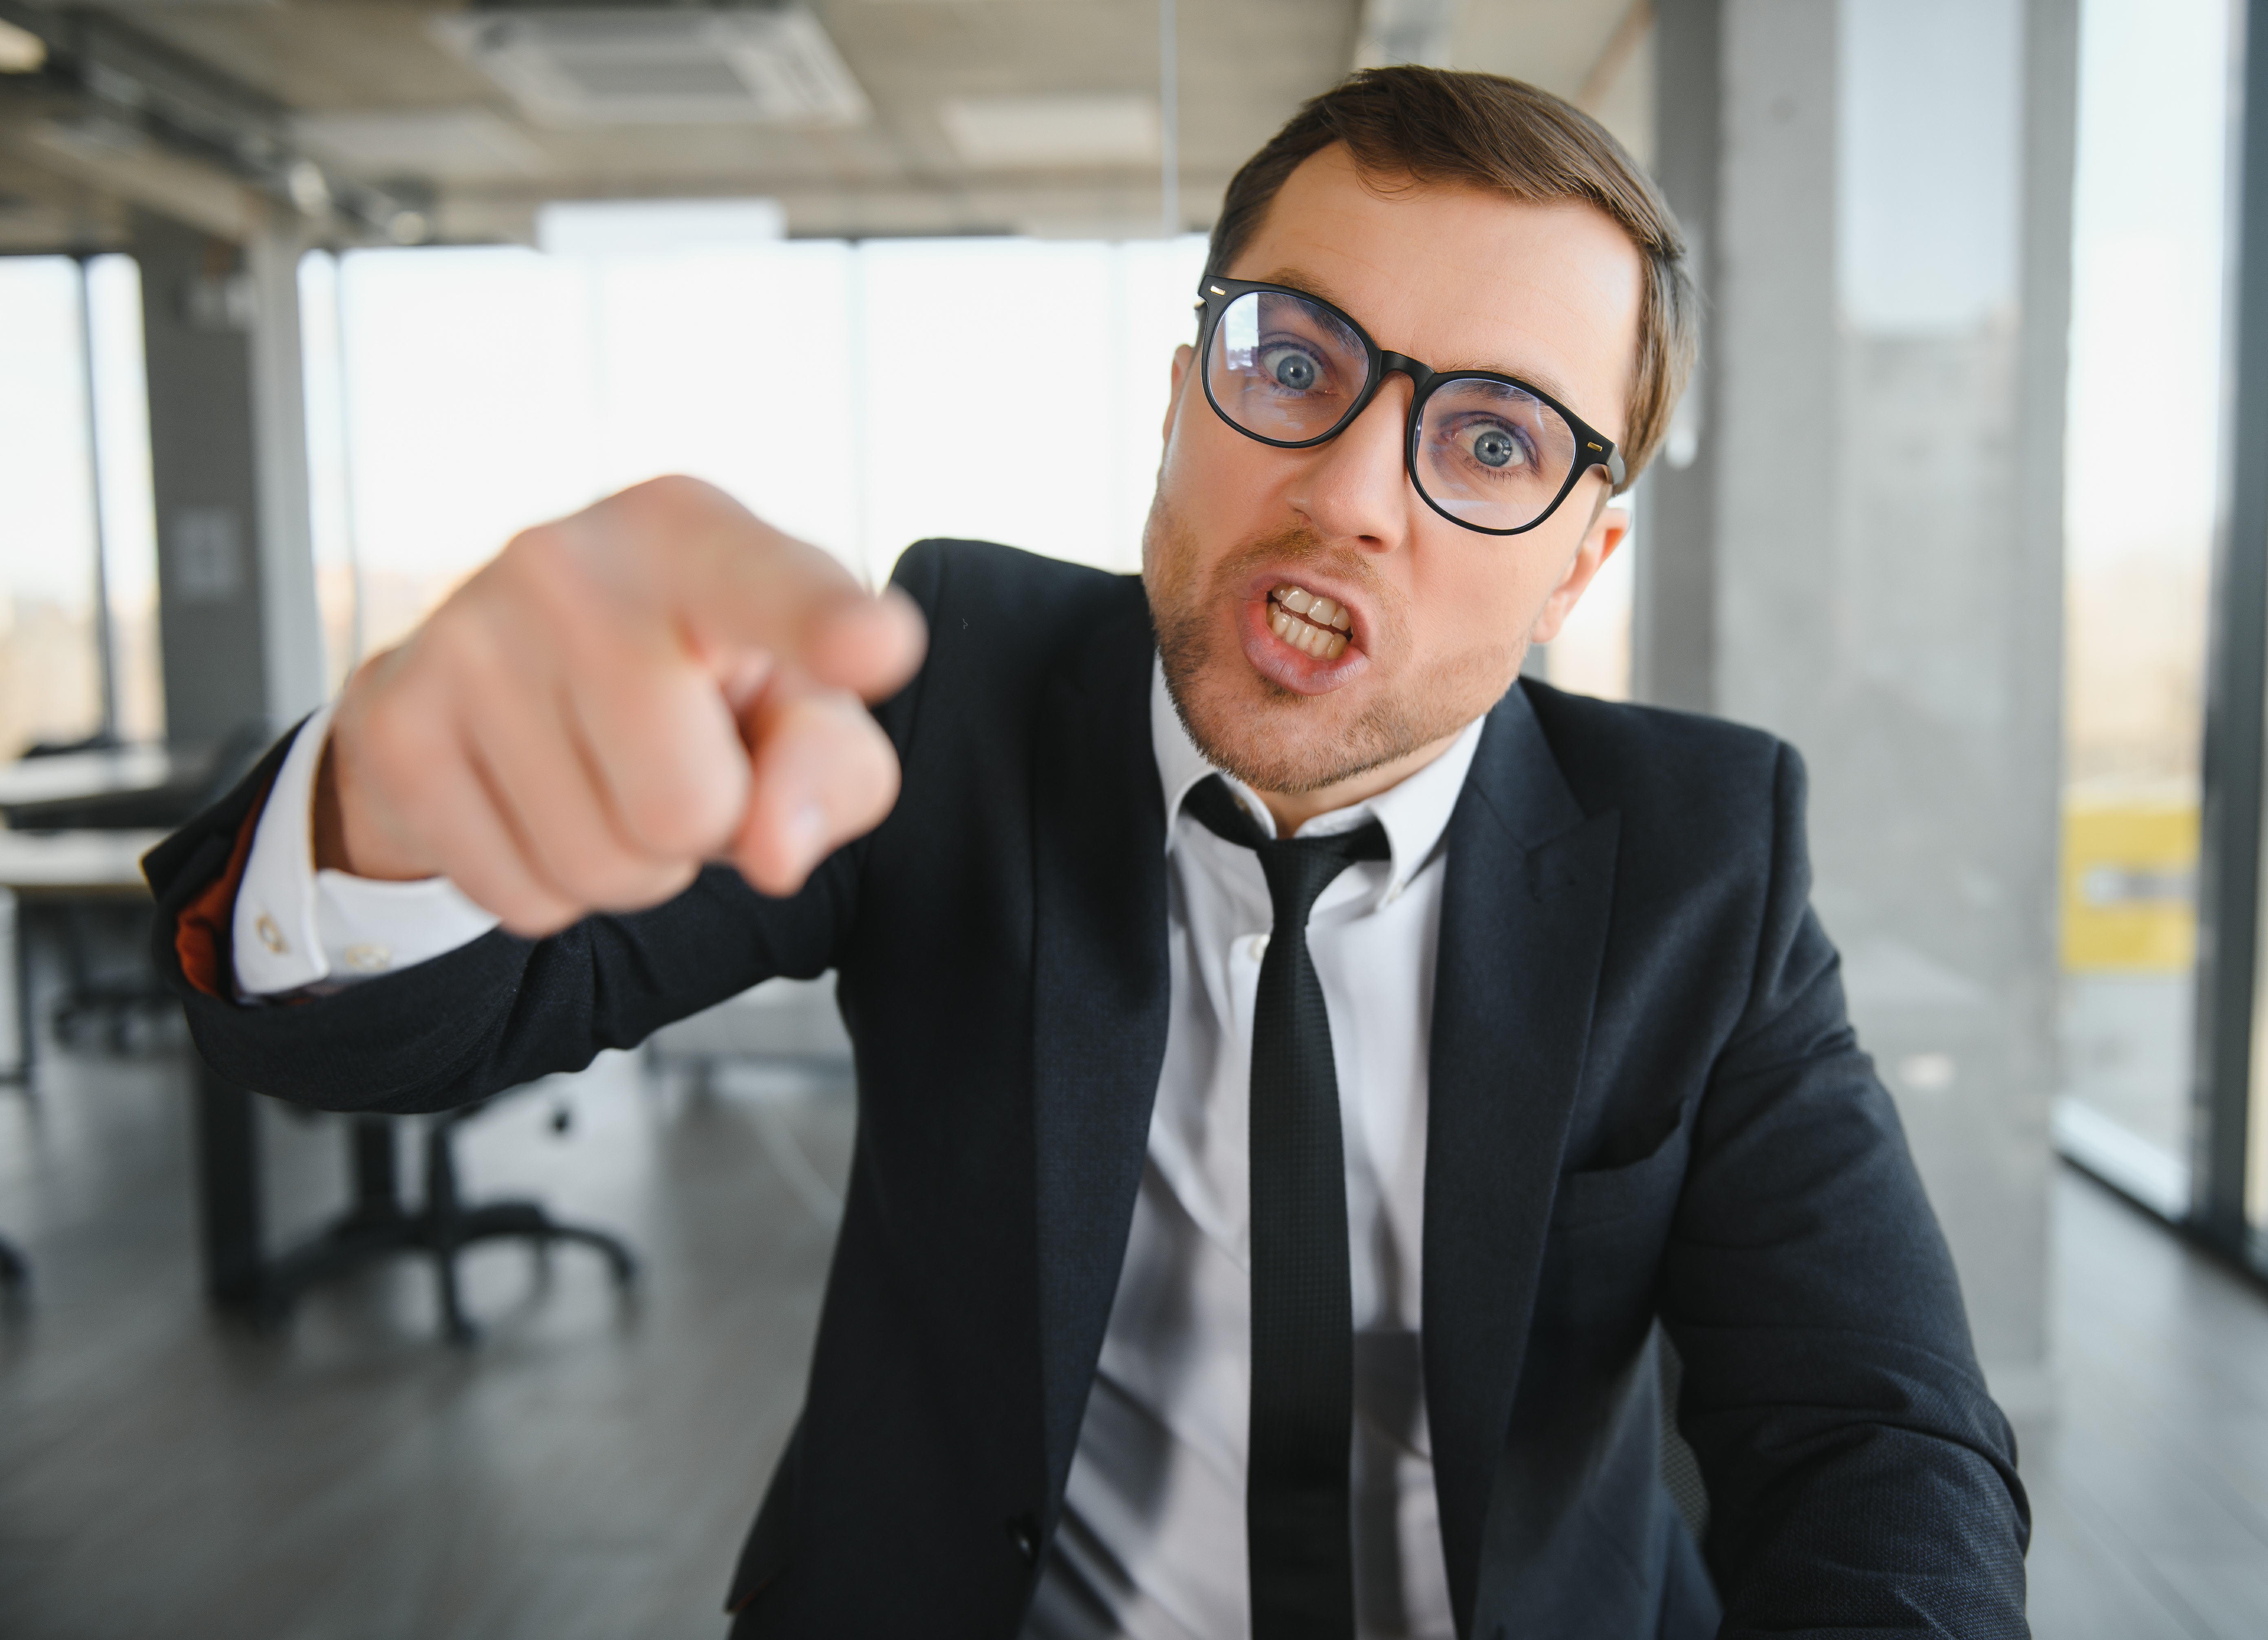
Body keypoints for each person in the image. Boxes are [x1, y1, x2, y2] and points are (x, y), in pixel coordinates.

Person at [149, 67, 2030, 1640]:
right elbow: (373, 1037)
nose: (1352, 495)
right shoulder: (944, 688)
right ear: (1180, 393)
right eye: (1295, 362)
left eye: (1492, 438)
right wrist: (389, 802)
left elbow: (1876, 1433)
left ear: (1580, 559)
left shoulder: (1706, 851)